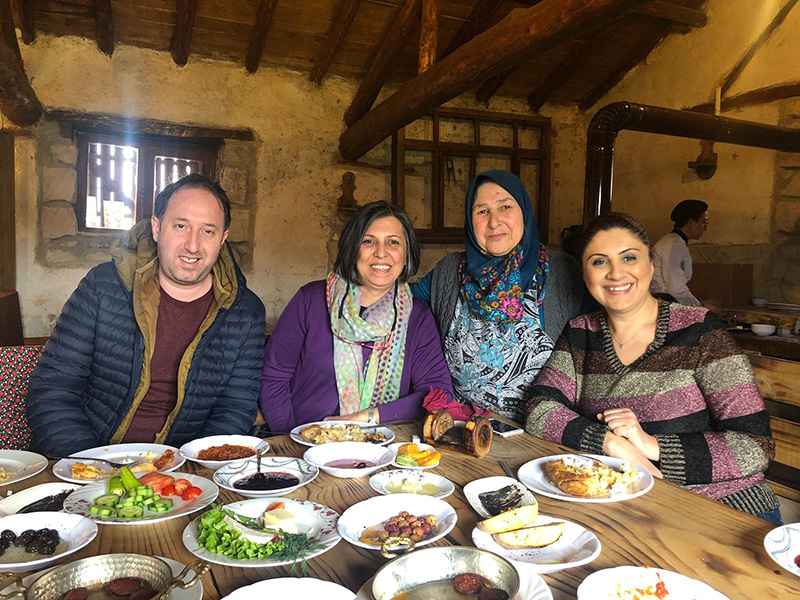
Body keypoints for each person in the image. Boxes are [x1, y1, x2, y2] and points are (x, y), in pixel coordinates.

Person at [525, 213, 781, 524]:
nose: (616, 273)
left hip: (726, 507)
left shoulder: (699, 331)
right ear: (585, 274)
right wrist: (612, 443)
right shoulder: (581, 332)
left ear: (651, 265)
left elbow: (755, 445)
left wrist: (651, 445)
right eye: (599, 262)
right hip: (636, 508)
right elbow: (539, 408)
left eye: (629, 257)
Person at [27, 174, 266, 456]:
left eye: (208, 231)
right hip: (88, 458)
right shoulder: (104, 287)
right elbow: (54, 389)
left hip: (183, 469)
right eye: (180, 226)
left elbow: (235, 405)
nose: (192, 245)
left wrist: (192, 465)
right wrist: (91, 464)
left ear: (223, 238)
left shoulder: (245, 311)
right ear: (156, 228)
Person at [412, 170, 587, 423]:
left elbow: (607, 326)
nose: (494, 222)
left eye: (505, 207)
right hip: (463, 428)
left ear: (524, 212)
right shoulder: (449, 271)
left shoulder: (563, 272)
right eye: (482, 211)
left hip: (542, 434)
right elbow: (403, 304)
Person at [260, 201, 453, 431]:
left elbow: (437, 394)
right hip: (306, 445)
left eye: (393, 242)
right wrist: (291, 438)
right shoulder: (311, 301)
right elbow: (274, 378)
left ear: (406, 254)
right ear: (353, 249)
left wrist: (367, 418)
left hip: (381, 448)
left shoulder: (417, 318)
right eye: (368, 241)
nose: (381, 253)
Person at [651, 199, 708, 305]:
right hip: (664, 304)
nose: (705, 227)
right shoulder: (673, 244)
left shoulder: (676, 242)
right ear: (691, 223)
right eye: (703, 222)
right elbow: (675, 288)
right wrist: (699, 307)